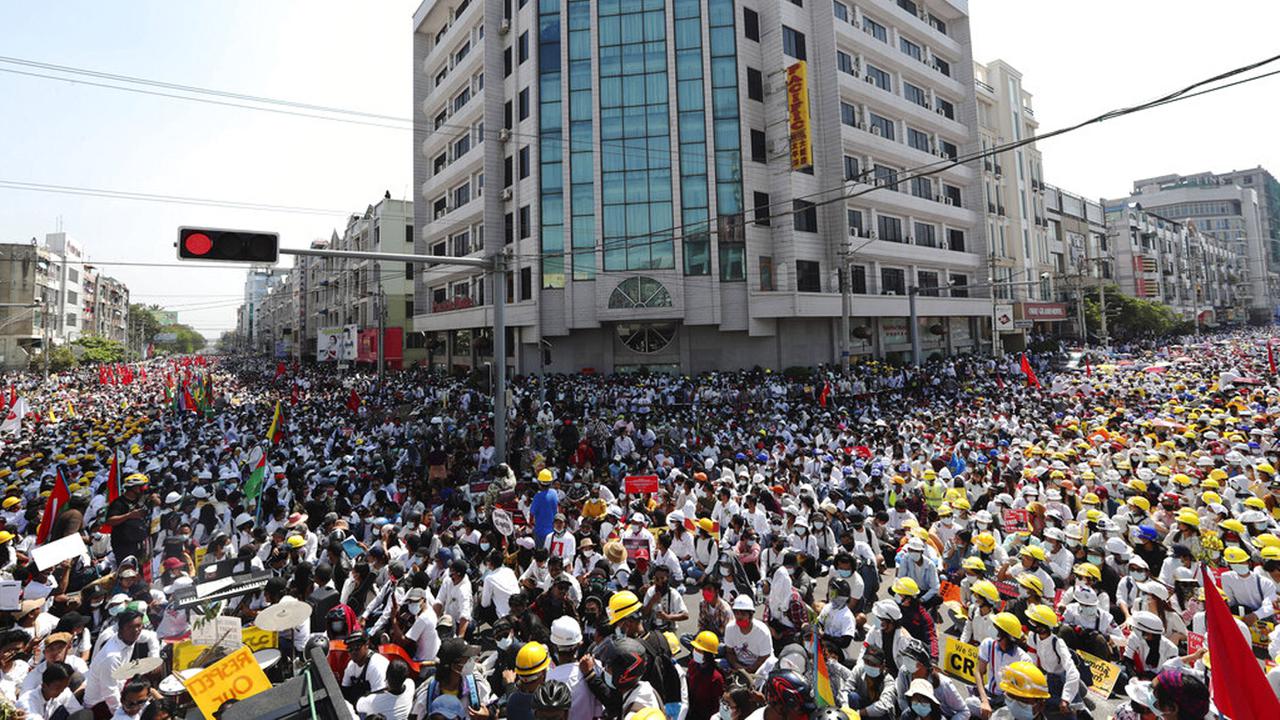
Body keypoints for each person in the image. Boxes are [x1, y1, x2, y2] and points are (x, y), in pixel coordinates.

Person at [17, 662, 82, 720]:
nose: (62, 691)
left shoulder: (63, 691)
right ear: (44, 686)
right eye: (58, 687)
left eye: (64, 687)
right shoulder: (27, 702)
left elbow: (78, 713)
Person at [341, 631, 389, 704]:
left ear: (367, 645)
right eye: (350, 649)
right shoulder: (350, 666)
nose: (353, 652)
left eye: (357, 647)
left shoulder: (376, 665)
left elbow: (380, 699)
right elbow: (345, 692)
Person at [685, 632, 724, 720]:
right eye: (695, 648)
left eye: (699, 650)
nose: (695, 652)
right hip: (690, 708)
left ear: (708, 654)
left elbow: (716, 706)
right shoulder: (692, 664)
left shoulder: (716, 678)